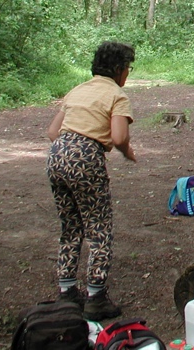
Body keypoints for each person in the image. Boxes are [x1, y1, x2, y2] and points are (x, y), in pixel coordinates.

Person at [46, 41, 136, 321]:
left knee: (70, 225)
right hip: (86, 158)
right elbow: (119, 137)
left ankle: (67, 291)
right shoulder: (116, 95)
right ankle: (96, 298)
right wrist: (128, 152)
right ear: (120, 69)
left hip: (57, 155)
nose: (128, 74)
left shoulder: (78, 90)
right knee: (98, 228)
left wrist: (70, 148)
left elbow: (52, 131)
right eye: (128, 68)